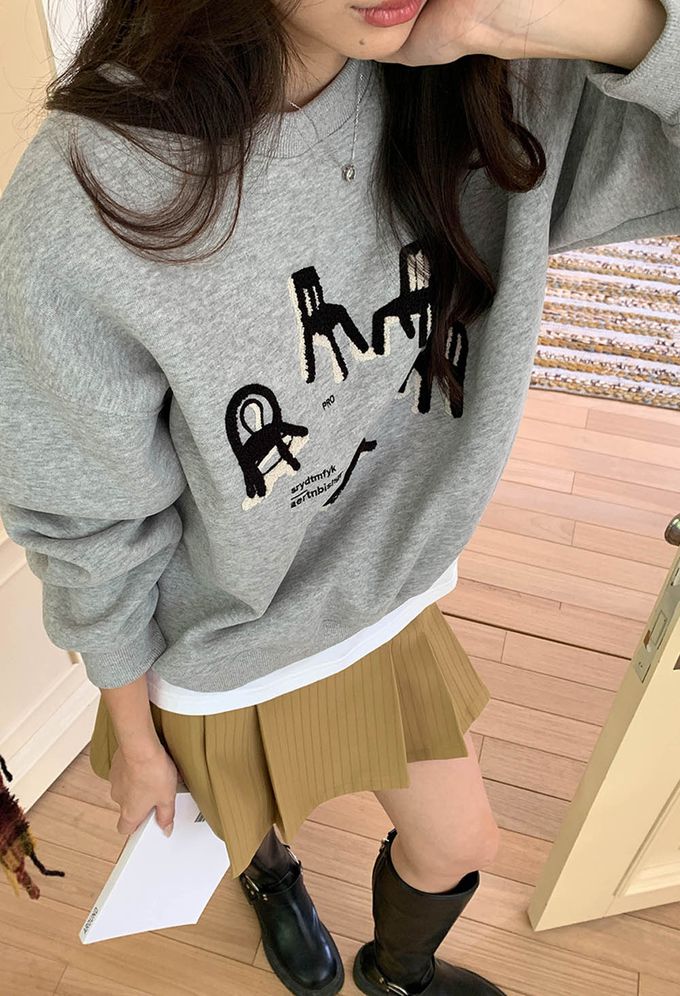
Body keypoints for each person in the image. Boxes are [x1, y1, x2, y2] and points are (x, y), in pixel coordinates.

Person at [0, 0, 677, 993]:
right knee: (240, 816)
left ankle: (396, 972)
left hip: (382, 603)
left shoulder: (491, 81)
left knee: (460, 841)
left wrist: (588, 25)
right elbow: (85, 516)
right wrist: (136, 739)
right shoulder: (87, 195)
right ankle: (269, 875)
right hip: (221, 642)